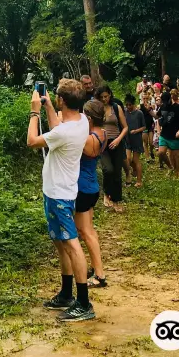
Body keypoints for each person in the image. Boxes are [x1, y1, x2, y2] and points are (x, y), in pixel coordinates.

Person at [27, 79, 95, 322]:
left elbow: (32, 141)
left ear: (62, 101)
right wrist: (47, 107)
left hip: (59, 194)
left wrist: (34, 111)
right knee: (60, 242)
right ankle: (67, 293)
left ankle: (84, 302)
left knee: (71, 244)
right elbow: (58, 127)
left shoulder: (65, 131)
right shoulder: (82, 121)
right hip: (59, 190)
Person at [78, 99, 108, 288]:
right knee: (89, 230)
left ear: (88, 117)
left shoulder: (88, 139)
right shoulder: (102, 133)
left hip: (82, 188)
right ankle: (96, 267)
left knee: (85, 232)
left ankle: (99, 274)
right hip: (92, 187)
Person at [96, 85, 128, 212]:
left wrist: (118, 139)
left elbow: (125, 127)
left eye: (106, 96)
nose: (104, 99)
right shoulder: (97, 109)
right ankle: (106, 193)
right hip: (102, 143)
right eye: (102, 97)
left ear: (110, 95)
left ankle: (116, 200)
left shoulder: (116, 107)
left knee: (117, 172)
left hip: (116, 141)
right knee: (107, 169)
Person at [156, 91, 179, 175]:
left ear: (170, 99)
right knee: (161, 153)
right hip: (164, 134)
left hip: (175, 135)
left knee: (174, 156)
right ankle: (170, 167)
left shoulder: (176, 107)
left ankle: (176, 172)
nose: (165, 103)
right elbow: (157, 117)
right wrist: (148, 110)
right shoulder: (162, 107)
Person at [123, 94, 146, 187]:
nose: (128, 107)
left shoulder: (139, 113)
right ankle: (130, 173)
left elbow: (144, 126)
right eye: (127, 105)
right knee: (127, 159)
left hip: (136, 139)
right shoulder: (125, 112)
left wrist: (136, 131)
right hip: (127, 139)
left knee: (136, 160)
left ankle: (139, 180)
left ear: (134, 104)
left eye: (130, 105)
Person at [140, 90, 155, 160]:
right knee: (145, 142)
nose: (145, 100)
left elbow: (154, 110)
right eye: (144, 98)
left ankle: (151, 151)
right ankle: (147, 157)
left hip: (150, 125)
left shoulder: (151, 106)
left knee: (151, 143)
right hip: (144, 126)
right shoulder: (140, 107)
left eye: (146, 98)